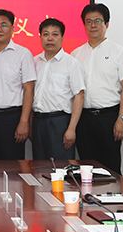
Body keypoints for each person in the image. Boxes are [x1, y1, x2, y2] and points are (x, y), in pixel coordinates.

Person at [71, 3, 123, 175]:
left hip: (109, 118)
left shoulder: (118, 51)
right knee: (86, 168)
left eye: (98, 21)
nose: (93, 25)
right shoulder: (76, 54)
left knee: (111, 168)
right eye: (89, 21)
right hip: (83, 119)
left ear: (106, 24)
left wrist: (122, 118)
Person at [0, 9, 36, 160]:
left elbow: (29, 90)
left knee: (12, 165)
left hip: (11, 119)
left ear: (12, 28)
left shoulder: (23, 53)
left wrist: (24, 122)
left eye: (4, 25)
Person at [31, 18, 85, 161]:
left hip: (59, 122)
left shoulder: (71, 63)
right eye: (45, 34)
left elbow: (79, 96)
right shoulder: (34, 62)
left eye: (55, 34)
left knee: (61, 167)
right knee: (39, 166)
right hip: (38, 122)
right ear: (40, 37)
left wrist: (71, 128)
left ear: (62, 38)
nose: (50, 38)